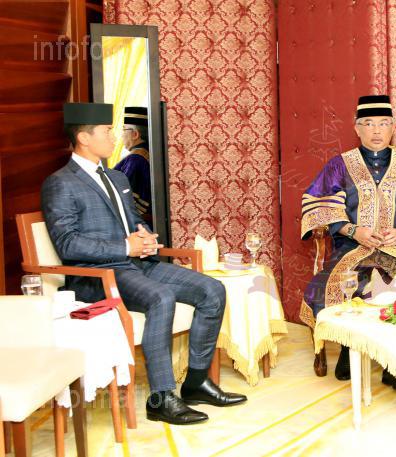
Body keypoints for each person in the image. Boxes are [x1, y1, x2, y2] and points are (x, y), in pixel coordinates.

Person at [41, 103, 247, 425]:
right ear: (84, 137)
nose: (114, 137)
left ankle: (196, 382)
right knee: (161, 296)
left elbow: (133, 220)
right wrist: (126, 246)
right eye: (107, 131)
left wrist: (146, 237)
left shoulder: (116, 176)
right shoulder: (60, 183)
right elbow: (67, 244)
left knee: (212, 290)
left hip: (138, 265)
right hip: (98, 276)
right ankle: (161, 399)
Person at [300, 95, 396, 390]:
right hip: (353, 248)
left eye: (383, 123)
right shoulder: (340, 165)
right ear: (357, 128)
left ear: (393, 127)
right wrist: (352, 230)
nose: (376, 130)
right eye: (368, 124)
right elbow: (318, 206)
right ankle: (349, 347)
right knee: (341, 284)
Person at [114, 106, 152, 225]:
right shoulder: (147, 154)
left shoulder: (135, 160)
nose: (121, 135)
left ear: (135, 134)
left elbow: (124, 200)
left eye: (124, 129)